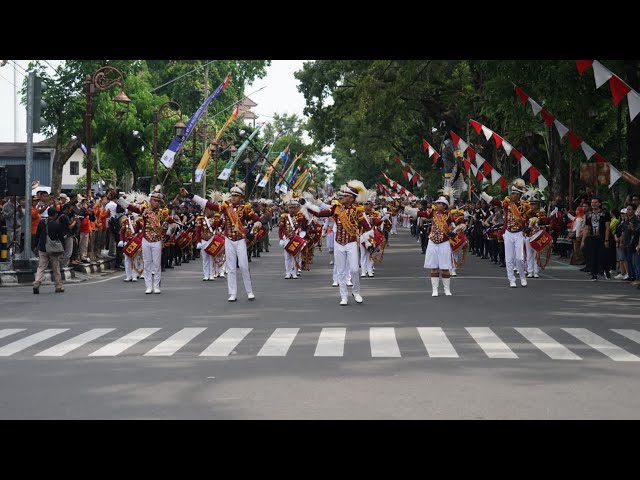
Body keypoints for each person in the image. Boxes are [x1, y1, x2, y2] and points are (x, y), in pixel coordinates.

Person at [305, 180, 381, 305]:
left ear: (351, 198)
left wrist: (368, 233)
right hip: (338, 242)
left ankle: (356, 292)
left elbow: (367, 227)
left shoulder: (358, 210)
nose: (342, 197)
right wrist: (308, 205)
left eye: (345, 196)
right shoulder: (336, 208)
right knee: (340, 270)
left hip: (351, 242)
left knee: (355, 269)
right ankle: (343, 296)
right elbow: (320, 213)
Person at [184, 182, 262, 302]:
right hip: (229, 239)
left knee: (243, 265)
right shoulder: (225, 207)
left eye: (236, 195)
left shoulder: (245, 209)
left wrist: (254, 227)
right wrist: (192, 196)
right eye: (232, 195)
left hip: (240, 239)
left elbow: (257, 220)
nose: (233, 197)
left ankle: (249, 291)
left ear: (240, 197)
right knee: (230, 267)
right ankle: (232, 293)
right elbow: (209, 204)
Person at [117, 188, 173, 294]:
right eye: (155, 200)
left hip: (157, 240)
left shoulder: (162, 213)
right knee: (147, 264)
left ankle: (156, 286)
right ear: (151, 200)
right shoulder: (145, 210)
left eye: (158, 201)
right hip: (146, 240)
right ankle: (148, 286)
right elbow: (133, 208)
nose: (156, 203)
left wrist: (169, 222)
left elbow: (167, 224)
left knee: (156, 264)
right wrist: (122, 201)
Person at [406, 196, 465, 296]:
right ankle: (435, 290)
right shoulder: (432, 212)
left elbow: (461, 223)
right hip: (433, 241)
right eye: (437, 203)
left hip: (444, 242)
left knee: (445, 267)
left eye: (439, 203)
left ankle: (447, 289)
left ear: (444, 205)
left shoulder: (450, 214)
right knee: (434, 267)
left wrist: (456, 231)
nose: (437, 205)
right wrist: (408, 209)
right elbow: (421, 213)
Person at [482, 178, 530, 288]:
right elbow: (494, 201)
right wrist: (483, 194)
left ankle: (522, 277)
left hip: (518, 234)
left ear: (519, 195)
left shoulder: (524, 206)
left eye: (514, 194)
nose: (511, 195)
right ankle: (511, 279)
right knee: (509, 258)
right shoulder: (506, 204)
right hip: (508, 233)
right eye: (511, 193)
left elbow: (528, 217)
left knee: (520, 258)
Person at [33, 207, 66, 294]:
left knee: (41, 267)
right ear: (55, 215)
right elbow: (61, 238)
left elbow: (37, 235)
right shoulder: (57, 225)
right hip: (53, 250)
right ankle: (58, 286)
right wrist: (63, 248)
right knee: (56, 268)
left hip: (43, 248)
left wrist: (36, 245)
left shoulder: (41, 222)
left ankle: (36, 283)